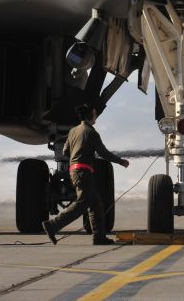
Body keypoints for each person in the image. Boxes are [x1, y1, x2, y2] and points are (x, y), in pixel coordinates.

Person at [42, 104, 129, 245]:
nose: (96, 117)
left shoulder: (73, 131)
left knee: (96, 205)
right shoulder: (91, 133)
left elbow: (65, 152)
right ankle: (52, 225)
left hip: (75, 170)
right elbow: (103, 153)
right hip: (83, 171)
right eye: (95, 114)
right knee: (82, 204)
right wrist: (120, 161)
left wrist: (77, 154)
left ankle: (99, 237)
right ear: (91, 116)